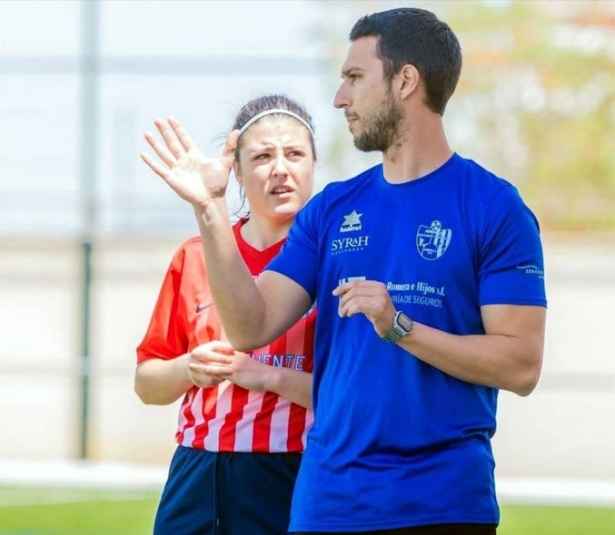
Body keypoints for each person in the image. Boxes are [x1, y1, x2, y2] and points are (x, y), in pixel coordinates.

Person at [142, 7, 547, 535]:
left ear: (405, 80)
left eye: (355, 77)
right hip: (326, 505)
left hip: (442, 504)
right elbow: (249, 325)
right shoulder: (332, 209)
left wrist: (400, 326)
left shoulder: (494, 207)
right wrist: (211, 208)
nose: (340, 98)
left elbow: (520, 366)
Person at [136, 94, 317, 535]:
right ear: (235, 170)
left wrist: (267, 375)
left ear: (313, 164)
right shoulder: (195, 257)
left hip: (293, 473)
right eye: (261, 156)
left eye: (294, 153)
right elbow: (147, 384)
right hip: (197, 473)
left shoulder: (334, 262)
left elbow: (356, 396)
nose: (280, 168)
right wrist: (188, 368)